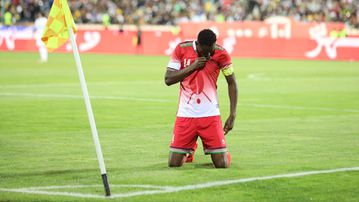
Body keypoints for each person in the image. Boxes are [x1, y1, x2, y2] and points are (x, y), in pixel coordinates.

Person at [164, 29, 238, 168]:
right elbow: (168, 79)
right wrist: (193, 67)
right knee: (174, 164)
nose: (211, 54)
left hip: (210, 115)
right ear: (199, 46)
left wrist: (232, 114)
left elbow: (232, 82)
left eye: (213, 49)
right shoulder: (181, 49)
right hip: (186, 114)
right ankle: (189, 150)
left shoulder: (220, 53)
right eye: (208, 51)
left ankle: (222, 152)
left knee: (222, 164)